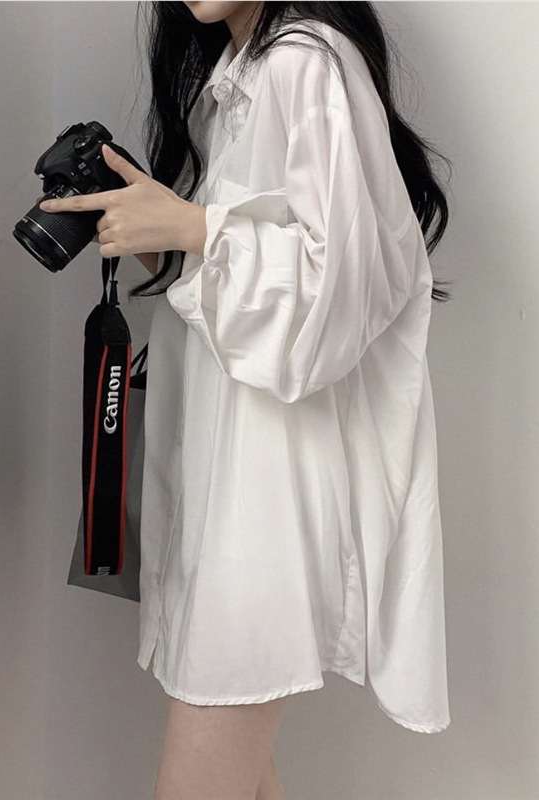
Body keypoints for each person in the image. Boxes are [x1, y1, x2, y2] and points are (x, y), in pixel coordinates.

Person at [41, 2, 452, 798]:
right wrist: (163, 232)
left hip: (264, 505)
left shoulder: (304, 62)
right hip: (228, 484)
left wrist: (198, 230)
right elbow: (247, 284)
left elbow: (344, 292)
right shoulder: (230, 83)